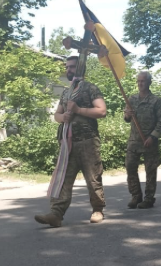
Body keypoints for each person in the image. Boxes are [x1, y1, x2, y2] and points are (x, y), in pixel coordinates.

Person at [35, 56, 107, 227]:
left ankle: (97, 210)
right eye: (67, 67)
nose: (69, 70)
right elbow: (56, 115)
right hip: (67, 144)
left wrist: (78, 110)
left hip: (87, 141)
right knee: (63, 179)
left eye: (72, 67)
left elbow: (102, 111)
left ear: (81, 69)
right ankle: (56, 214)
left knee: (93, 178)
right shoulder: (66, 92)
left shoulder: (90, 88)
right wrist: (63, 117)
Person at [124, 71, 161, 209]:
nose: (140, 83)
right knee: (130, 166)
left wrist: (153, 137)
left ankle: (149, 198)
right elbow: (126, 119)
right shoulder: (132, 99)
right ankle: (136, 196)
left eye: (143, 81)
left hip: (149, 141)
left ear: (149, 82)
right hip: (134, 141)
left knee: (150, 170)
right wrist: (127, 115)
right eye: (138, 81)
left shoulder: (156, 101)